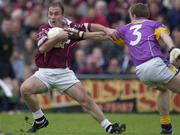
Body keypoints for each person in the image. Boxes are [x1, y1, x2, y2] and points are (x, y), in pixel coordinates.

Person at [20, 1, 126, 134]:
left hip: (64, 73)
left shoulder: (71, 27)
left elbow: (89, 27)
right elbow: (42, 48)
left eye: (56, 14)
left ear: (62, 14)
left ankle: (109, 127)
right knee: (25, 89)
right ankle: (40, 119)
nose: (53, 17)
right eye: (50, 14)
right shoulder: (44, 28)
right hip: (44, 73)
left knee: (86, 100)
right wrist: (58, 37)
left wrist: (106, 30)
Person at [106, 3, 180, 135]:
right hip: (155, 63)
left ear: (133, 15)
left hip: (141, 71)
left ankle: (166, 128)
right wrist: (172, 48)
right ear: (147, 15)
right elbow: (164, 35)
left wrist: (82, 34)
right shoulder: (153, 24)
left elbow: (106, 35)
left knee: (163, 90)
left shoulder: (125, 28)